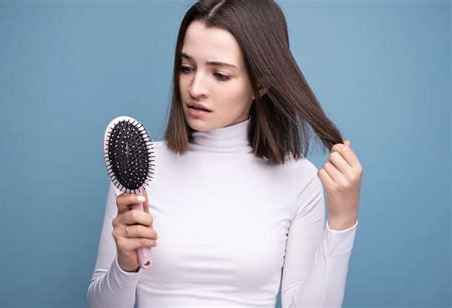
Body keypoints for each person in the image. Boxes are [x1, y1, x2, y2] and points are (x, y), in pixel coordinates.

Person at [87, 0, 362, 307]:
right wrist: (126, 265)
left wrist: (342, 221)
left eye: (220, 74)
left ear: (260, 83)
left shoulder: (299, 180)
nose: (195, 88)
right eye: (186, 68)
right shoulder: (139, 172)